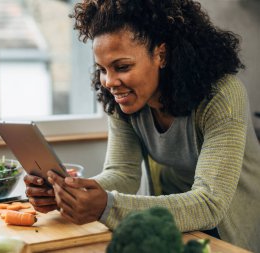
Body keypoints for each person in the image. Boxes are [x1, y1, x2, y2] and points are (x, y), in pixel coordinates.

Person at [23, 0, 260, 252]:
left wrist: (107, 206)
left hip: (228, 232)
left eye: (122, 67)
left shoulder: (221, 97)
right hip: (171, 224)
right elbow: (122, 174)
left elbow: (209, 204)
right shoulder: (125, 100)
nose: (110, 82)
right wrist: (70, 194)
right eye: (102, 69)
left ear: (161, 54)